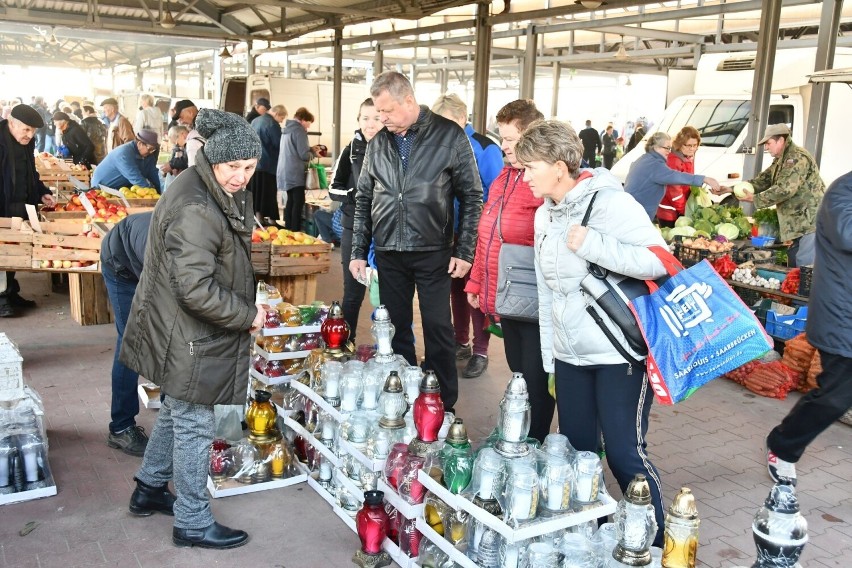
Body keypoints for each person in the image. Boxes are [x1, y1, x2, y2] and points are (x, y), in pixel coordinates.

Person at [516, 119, 668, 545]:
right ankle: (594, 541)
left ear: (560, 167)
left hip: (617, 354)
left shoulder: (609, 204)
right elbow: (548, 294)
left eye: (530, 167)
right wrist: (551, 357)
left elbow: (659, 260)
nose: (523, 176)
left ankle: (655, 547)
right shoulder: (545, 214)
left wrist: (593, 245)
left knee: (624, 454)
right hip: (570, 357)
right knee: (580, 457)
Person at [119, 108, 265, 549]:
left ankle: (148, 489)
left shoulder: (208, 185)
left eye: (249, 166)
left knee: (180, 408)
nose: (241, 176)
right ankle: (192, 520)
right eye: (232, 167)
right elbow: (196, 291)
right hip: (188, 333)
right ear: (214, 161)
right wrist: (247, 315)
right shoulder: (198, 205)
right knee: (195, 421)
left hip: (180, 327)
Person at [350, 72, 483, 412]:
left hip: (433, 252)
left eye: (388, 111)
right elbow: (364, 199)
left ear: (408, 101)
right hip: (389, 251)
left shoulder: (449, 135)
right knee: (393, 329)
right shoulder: (379, 142)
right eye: (379, 112)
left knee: (439, 327)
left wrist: (465, 251)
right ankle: (403, 397)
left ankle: (442, 403)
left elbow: (472, 196)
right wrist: (358, 253)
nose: (382, 118)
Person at [464, 99, 555, 442]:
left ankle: (535, 440)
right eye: (501, 138)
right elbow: (487, 235)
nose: (503, 147)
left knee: (534, 375)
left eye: (511, 140)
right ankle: (523, 435)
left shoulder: (541, 182)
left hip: (533, 295)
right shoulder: (504, 177)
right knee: (520, 371)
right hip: (508, 295)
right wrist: (476, 282)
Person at [765, 170, 852, 486]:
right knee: (835, 396)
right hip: (843, 316)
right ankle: (783, 446)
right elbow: (847, 234)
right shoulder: (843, 192)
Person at [431, 93, 503, 378]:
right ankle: (460, 341)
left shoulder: (485, 148)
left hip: (476, 233)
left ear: (462, 119)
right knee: (456, 291)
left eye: (446, 122)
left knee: (476, 292)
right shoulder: (441, 145)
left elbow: (494, 193)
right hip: (448, 231)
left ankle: (481, 350)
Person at [716, 124, 825, 267]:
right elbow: (762, 180)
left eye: (768, 143)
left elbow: (785, 189)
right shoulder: (782, 159)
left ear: (781, 140)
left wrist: (755, 199)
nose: (766, 148)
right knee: (794, 262)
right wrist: (731, 189)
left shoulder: (797, 158)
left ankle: (807, 290)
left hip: (809, 221)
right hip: (797, 222)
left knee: (805, 265)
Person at [101, 212, 153, 457]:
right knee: (131, 340)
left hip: (142, 256)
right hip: (120, 264)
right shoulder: (162, 252)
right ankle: (121, 428)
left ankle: (174, 417)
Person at [329, 97, 382, 342]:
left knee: (387, 294)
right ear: (358, 121)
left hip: (386, 230)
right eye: (365, 119)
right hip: (354, 227)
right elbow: (333, 188)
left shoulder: (393, 148)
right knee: (353, 292)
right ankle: (345, 345)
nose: (370, 124)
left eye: (376, 118)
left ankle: (389, 349)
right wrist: (354, 195)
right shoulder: (350, 150)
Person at [0, 104, 58, 317]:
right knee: (1, 252)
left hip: (21, 204)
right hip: (2, 206)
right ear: (11, 123)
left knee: (14, 249)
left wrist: (41, 192)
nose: (30, 135)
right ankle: (1, 299)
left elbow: (30, 172)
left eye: (33, 131)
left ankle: (10, 291)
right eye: (25, 130)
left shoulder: (26, 142)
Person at [624, 132, 720, 220]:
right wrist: (704, 179)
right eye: (666, 148)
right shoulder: (655, 165)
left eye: (670, 148)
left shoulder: (645, 159)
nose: (669, 151)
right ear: (655, 147)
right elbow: (676, 176)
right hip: (637, 214)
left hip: (632, 210)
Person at [278, 106, 321, 232]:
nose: (308, 127)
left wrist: (311, 149)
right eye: (308, 123)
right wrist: (314, 154)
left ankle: (288, 229)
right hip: (295, 171)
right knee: (298, 201)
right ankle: (295, 230)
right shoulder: (299, 131)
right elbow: (303, 155)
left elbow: (294, 149)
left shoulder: (287, 129)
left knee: (291, 200)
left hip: (285, 170)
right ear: (303, 120)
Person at [657, 126, 701, 227]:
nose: (692, 149)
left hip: (679, 209)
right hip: (669, 211)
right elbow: (673, 190)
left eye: (695, 145)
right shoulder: (673, 160)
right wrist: (684, 210)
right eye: (689, 145)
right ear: (680, 144)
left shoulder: (688, 156)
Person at [91, 129, 162, 193]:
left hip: (121, 189)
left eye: (153, 149)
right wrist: (151, 193)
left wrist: (163, 191)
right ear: (140, 144)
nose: (151, 152)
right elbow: (136, 179)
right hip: (101, 189)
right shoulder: (124, 154)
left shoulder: (148, 155)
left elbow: (154, 175)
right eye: (150, 149)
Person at [251, 103, 287, 223]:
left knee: (258, 193)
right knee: (269, 194)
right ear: (276, 114)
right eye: (281, 118)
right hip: (268, 164)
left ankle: (259, 219)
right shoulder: (272, 124)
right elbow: (279, 144)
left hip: (255, 163)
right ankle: (272, 221)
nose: (281, 121)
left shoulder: (255, 121)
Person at [168, 100, 201, 166]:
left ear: (190, 112)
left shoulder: (205, 122)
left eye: (181, 117)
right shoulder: (197, 125)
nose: (182, 122)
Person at [160, 125, 189, 192]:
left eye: (176, 141)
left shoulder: (190, 144)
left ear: (182, 134)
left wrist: (172, 165)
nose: (176, 144)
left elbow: (186, 160)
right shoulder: (179, 146)